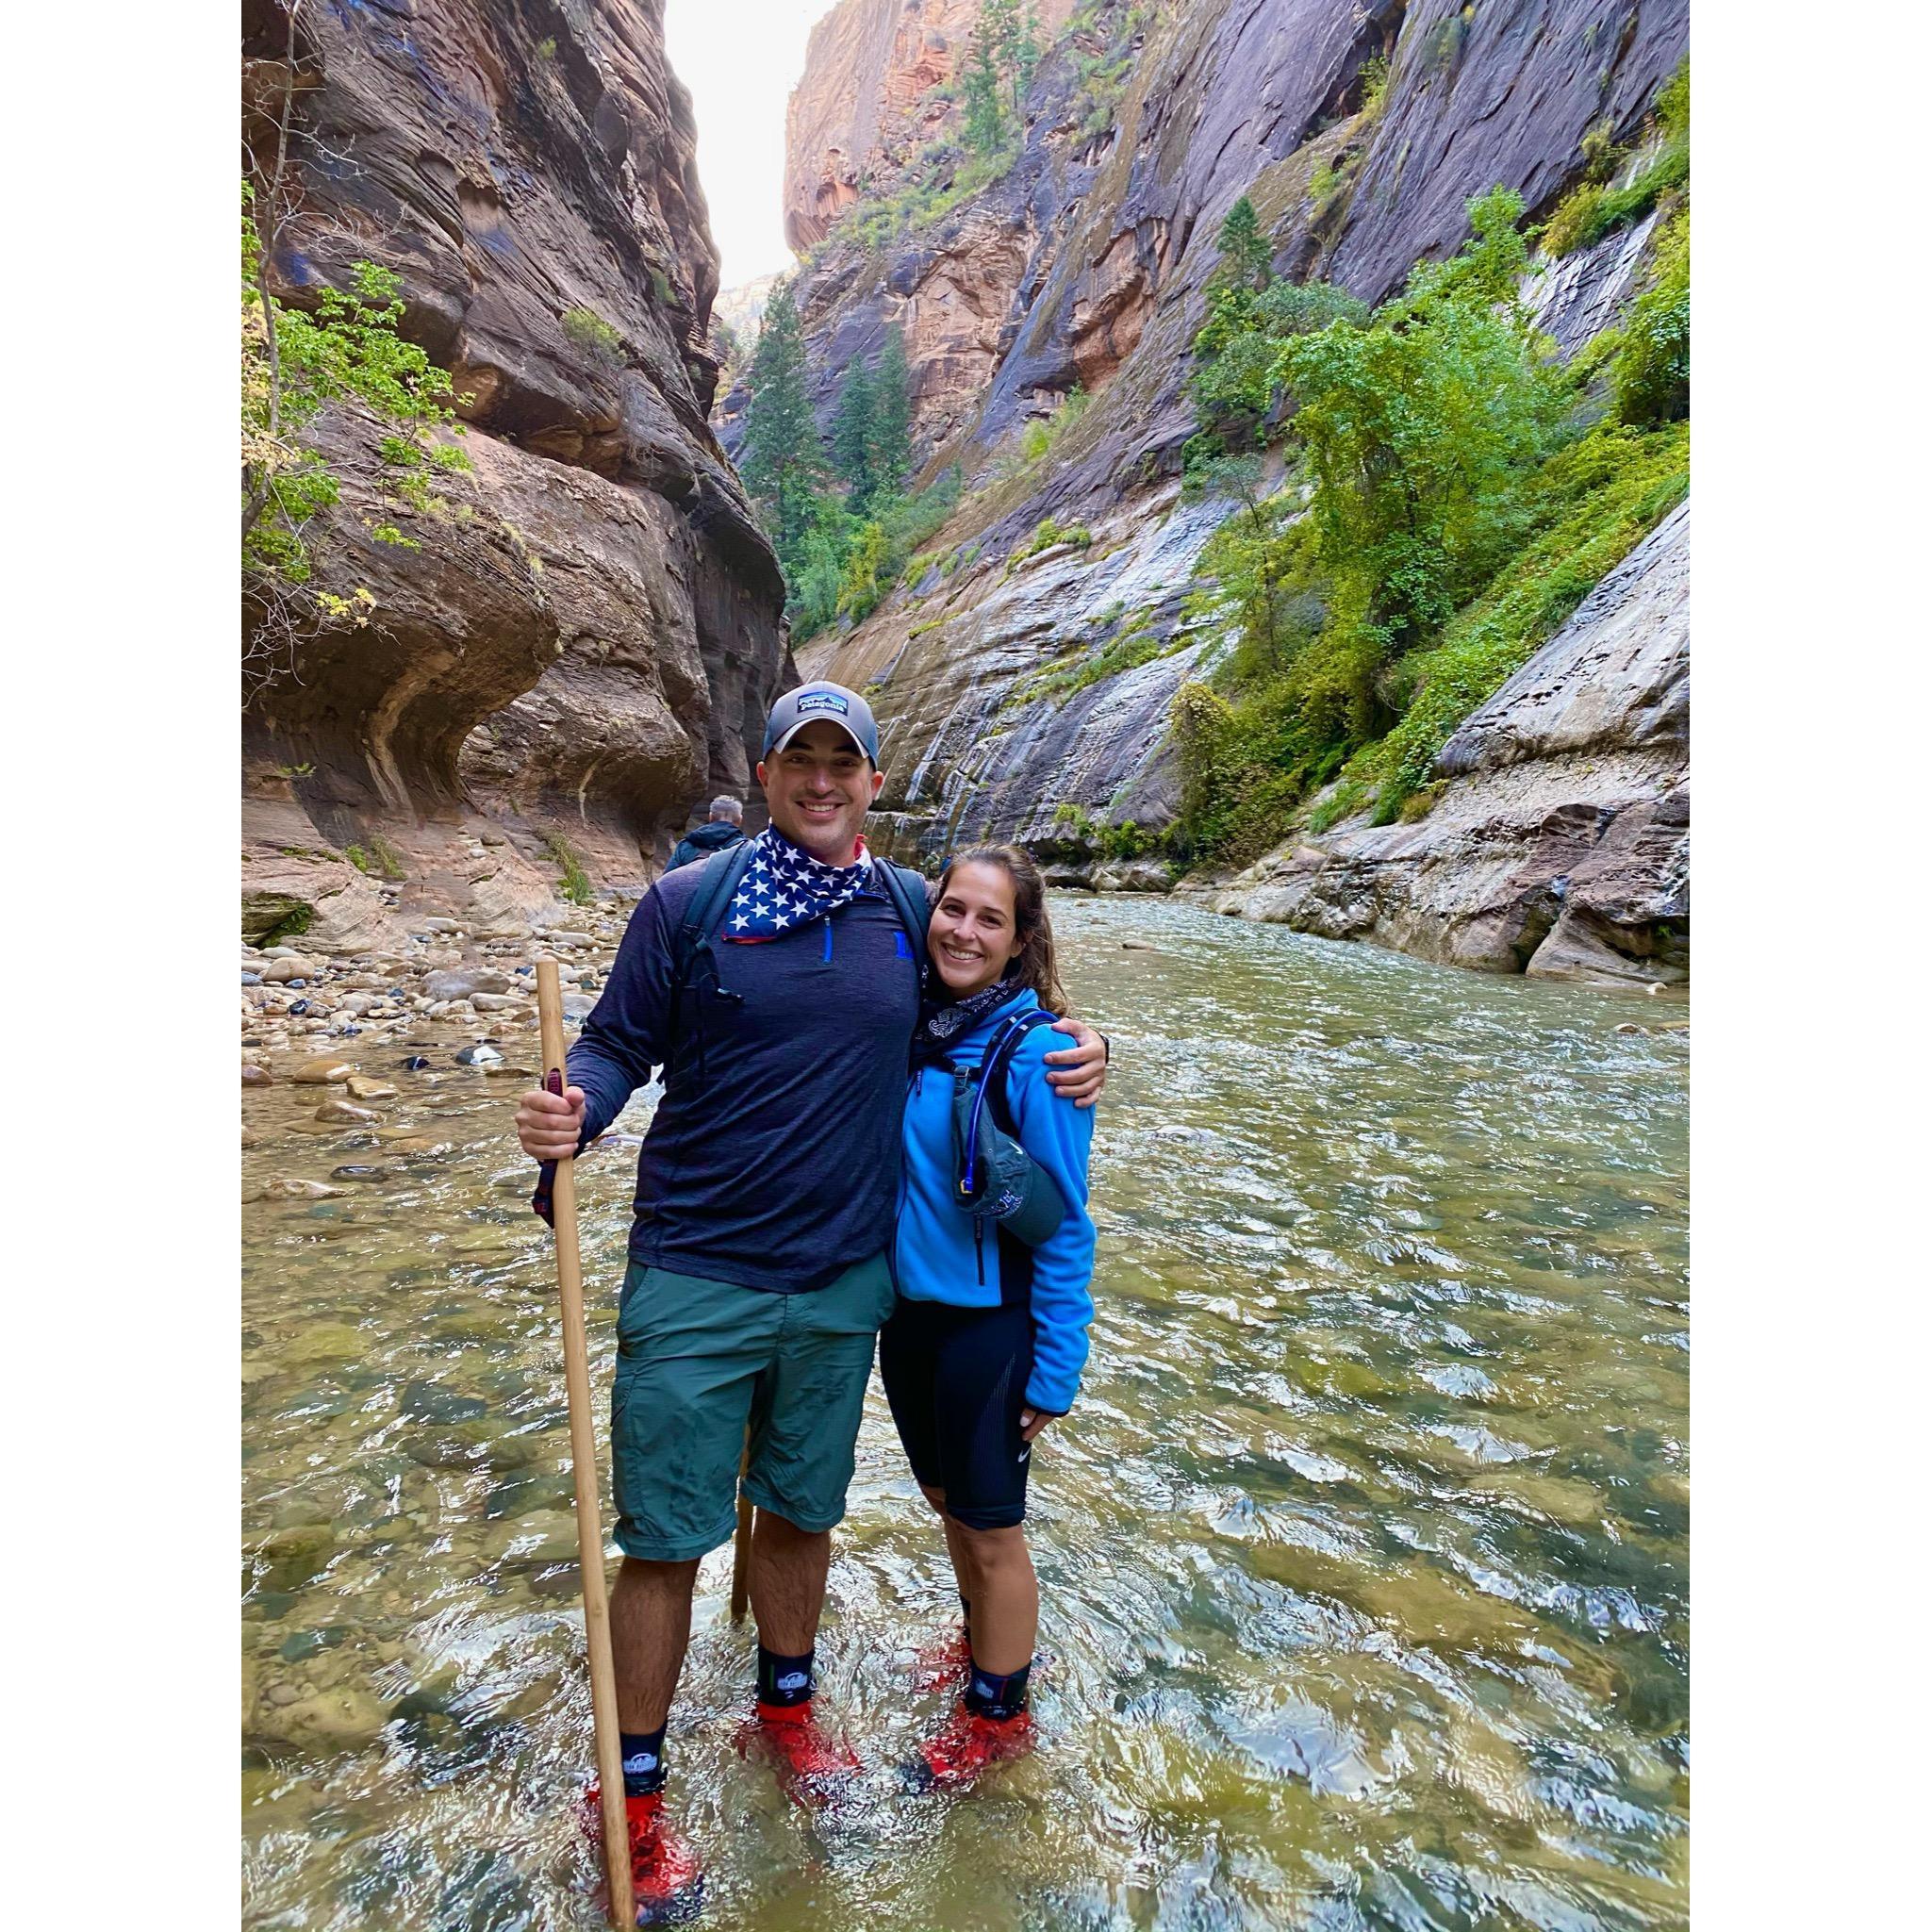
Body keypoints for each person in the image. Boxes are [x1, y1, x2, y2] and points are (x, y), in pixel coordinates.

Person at [514, 683, 1108, 1924]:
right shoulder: (688, 904)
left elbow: (985, 1007)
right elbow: (621, 1042)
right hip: (696, 1276)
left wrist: (1079, 1042)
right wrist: (579, 1103)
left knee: (799, 1512)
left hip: (843, 1287)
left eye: (846, 761)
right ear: (767, 771)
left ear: (873, 783)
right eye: (802, 759)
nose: (823, 780)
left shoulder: (906, 909)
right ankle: (630, 1792)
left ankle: (785, 1709)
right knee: (665, 1543)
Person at [881, 845, 1097, 1792]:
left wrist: (1057, 1366)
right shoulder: (907, 1024)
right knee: (946, 1509)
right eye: (952, 909)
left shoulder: (1042, 1054)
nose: (964, 931)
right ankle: (985, 1652)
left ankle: (999, 1720)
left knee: (990, 1530)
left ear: (1019, 944)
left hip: (989, 1330)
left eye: (989, 919)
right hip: (908, 1326)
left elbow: (1067, 1221)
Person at [667, 795, 745, 872]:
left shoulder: (685, 844)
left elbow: (666, 879)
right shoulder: (745, 849)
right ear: (740, 820)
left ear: (710, 816)